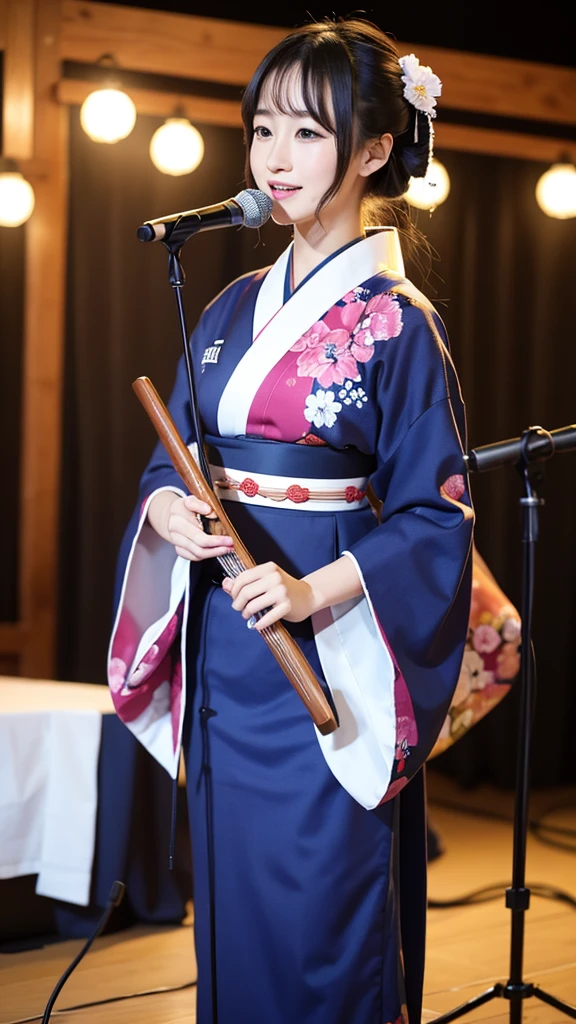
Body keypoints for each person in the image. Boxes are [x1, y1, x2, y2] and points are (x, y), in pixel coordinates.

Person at [107, 19, 474, 1024]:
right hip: (230, 656)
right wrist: (169, 508)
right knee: (232, 919)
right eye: (264, 128)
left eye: (309, 133)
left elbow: (434, 518)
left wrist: (314, 587)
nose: (276, 156)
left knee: (328, 921)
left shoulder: (402, 325)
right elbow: (163, 458)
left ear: (373, 149)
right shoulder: (228, 306)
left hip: (329, 661)